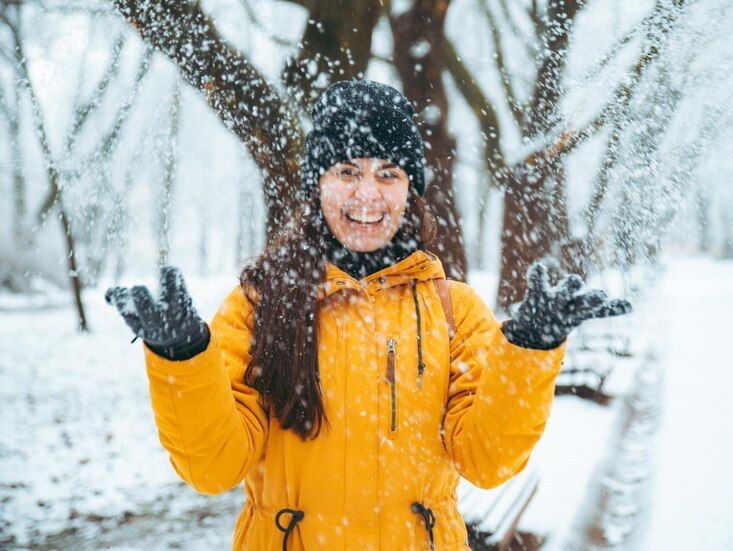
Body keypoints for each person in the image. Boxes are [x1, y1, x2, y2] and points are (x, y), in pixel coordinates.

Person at [106, 79, 632, 550]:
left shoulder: (454, 311)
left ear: (410, 189)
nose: (367, 194)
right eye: (347, 171)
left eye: (388, 174)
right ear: (317, 184)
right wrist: (182, 360)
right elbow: (213, 466)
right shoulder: (258, 306)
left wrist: (530, 350)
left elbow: (488, 460)